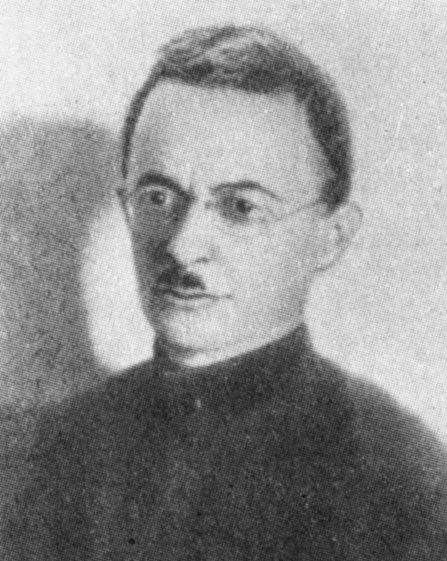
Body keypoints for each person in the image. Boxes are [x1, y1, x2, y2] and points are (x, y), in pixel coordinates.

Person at [4, 25, 447, 560]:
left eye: (241, 207)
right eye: (158, 197)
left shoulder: (401, 481)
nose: (183, 246)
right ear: (126, 207)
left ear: (330, 238)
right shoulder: (51, 453)